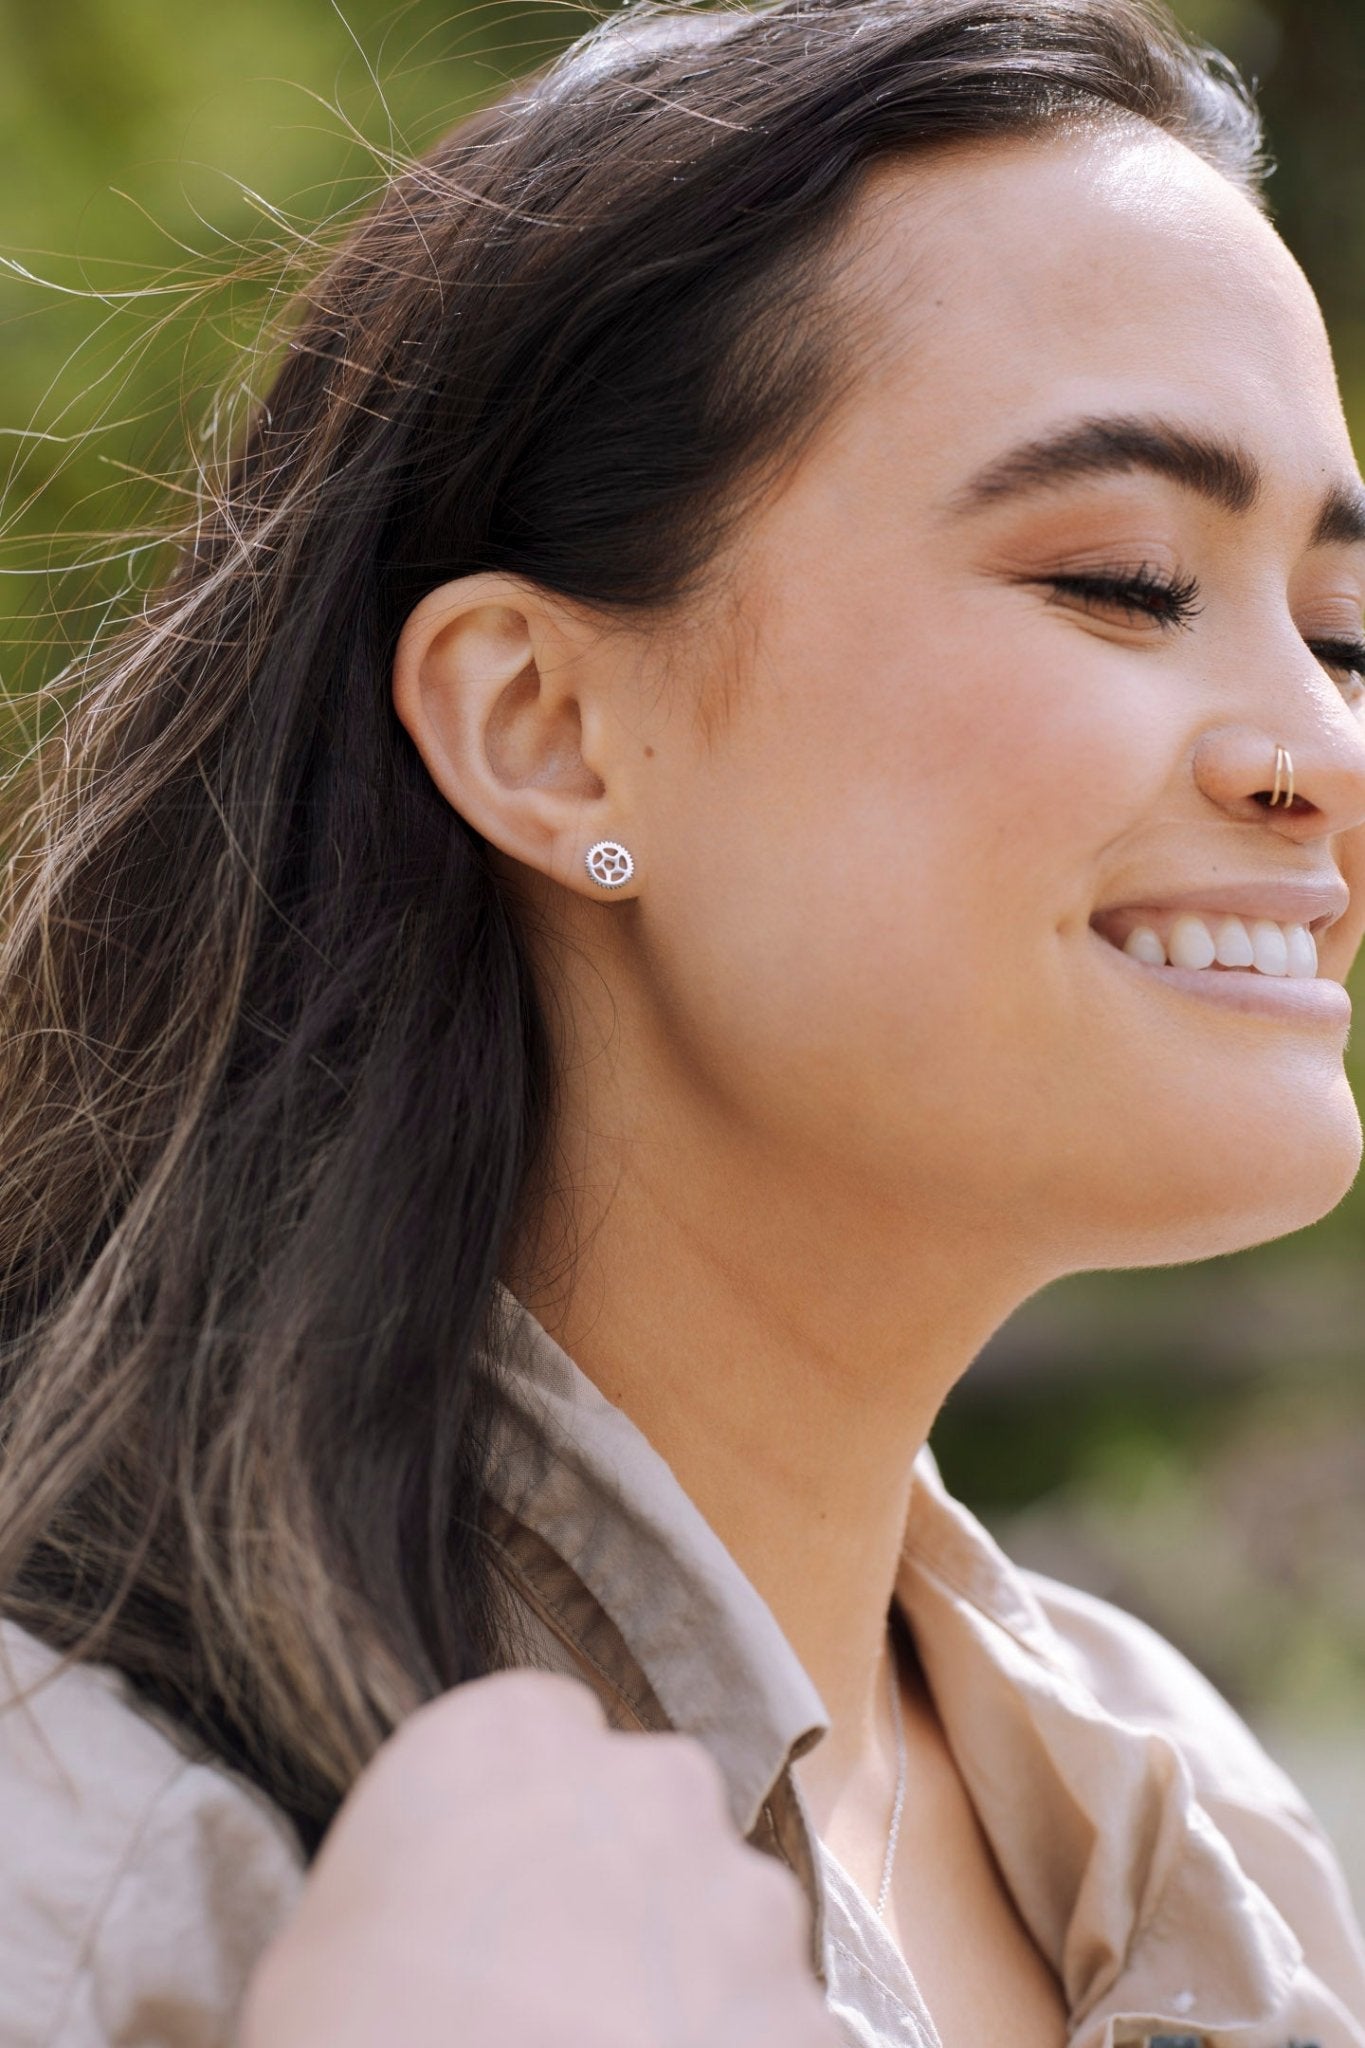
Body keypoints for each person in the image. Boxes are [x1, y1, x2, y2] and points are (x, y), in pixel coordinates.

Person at [1, 0, 1364, 2042]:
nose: (1315, 754)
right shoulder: (80, 1839)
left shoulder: (1189, 1833)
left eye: (1340, 632)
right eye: (1118, 577)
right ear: (548, 734)